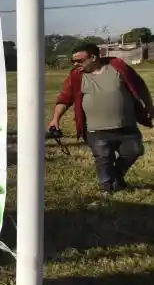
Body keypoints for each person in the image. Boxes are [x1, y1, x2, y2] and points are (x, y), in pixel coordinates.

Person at [50, 43, 154, 193]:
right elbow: (65, 98)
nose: (75, 64)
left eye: (79, 60)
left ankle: (115, 177)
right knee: (103, 158)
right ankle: (107, 187)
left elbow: (140, 86)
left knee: (134, 151)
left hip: (127, 125)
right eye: (73, 61)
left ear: (93, 57)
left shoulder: (118, 67)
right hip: (95, 129)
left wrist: (149, 107)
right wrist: (55, 119)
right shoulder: (76, 76)